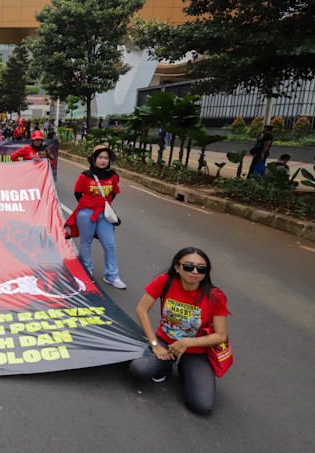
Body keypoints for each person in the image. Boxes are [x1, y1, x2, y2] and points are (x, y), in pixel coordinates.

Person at [129, 247, 229, 415]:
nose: (195, 271)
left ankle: (186, 366)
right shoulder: (165, 281)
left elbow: (220, 335)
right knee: (139, 369)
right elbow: (141, 309)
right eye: (189, 266)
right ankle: (167, 365)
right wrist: (155, 345)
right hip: (166, 343)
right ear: (177, 267)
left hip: (196, 351)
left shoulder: (215, 295)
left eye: (201, 268)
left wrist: (188, 342)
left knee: (202, 406)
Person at [65, 145, 125, 289]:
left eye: (106, 158)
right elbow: (77, 193)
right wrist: (89, 205)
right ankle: (87, 271)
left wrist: (103, 206)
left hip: (104, 214)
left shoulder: (113, 176)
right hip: (86, 214)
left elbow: (113, 193)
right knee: (86, 242)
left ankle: (111, 276)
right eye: (100, 157)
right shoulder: (85, 176)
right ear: (94, 159)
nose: (103, 160)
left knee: (109, 245)